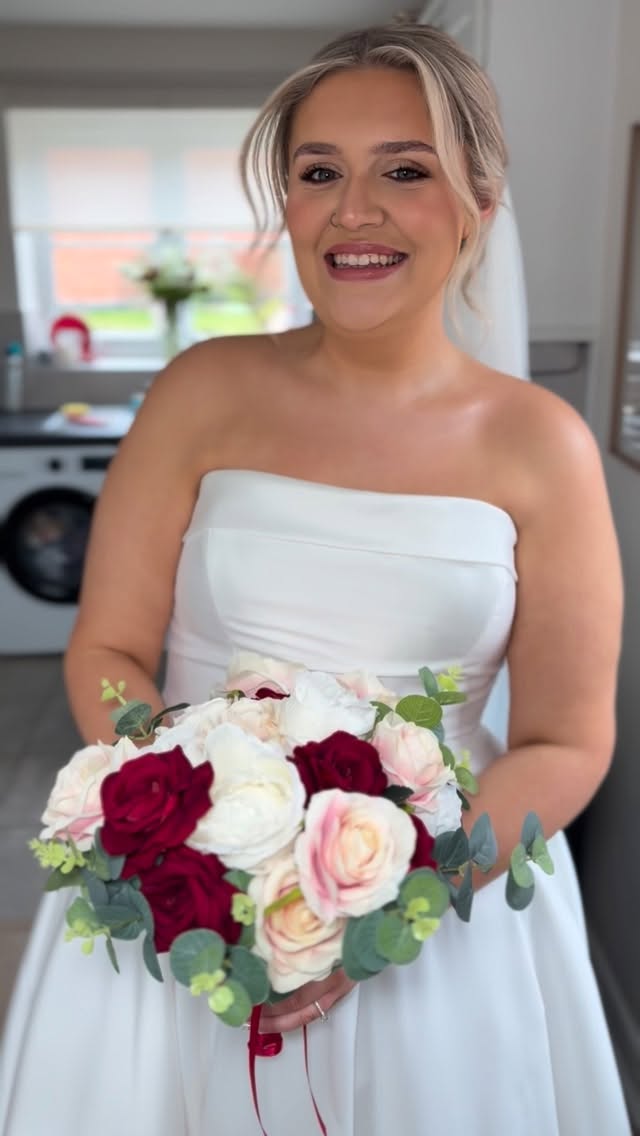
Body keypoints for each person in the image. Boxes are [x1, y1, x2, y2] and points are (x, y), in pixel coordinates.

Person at [0, 23, 631, 1136]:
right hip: (184, 901)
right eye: (318, 173)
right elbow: (106, 647)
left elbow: (565, 739)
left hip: (442, 913)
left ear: (479, 200)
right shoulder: (202, 391)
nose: (354, 211)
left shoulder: (543, 445)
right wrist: (177, 826)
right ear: (285, 204)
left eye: (405, 169)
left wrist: (396, 898)